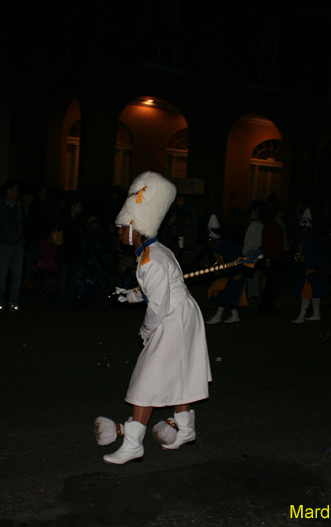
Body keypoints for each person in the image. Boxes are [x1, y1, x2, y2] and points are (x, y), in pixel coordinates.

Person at [97, 171, 211, 465]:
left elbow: (158, 306)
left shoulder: (150, 260)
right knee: (181, 374)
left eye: (122, 227)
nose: (119, 231)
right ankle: (185, 429)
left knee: (144, 382)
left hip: (172, 319)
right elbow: (155, 291)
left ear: (135, 227)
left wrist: (146, 331)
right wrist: (130, 295)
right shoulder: (154, 251)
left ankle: (134, 444)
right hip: (182, 314)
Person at [204, 215, 249, 324]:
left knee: (223, 294)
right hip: (230, 273)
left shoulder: (226, 248)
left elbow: (233, 264)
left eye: (211, 240)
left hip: (235, 273)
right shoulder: (218, 246)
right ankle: (234, 316)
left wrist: (221, 272)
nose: (208, 242)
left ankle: (218, 317)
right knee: (228, 295)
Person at [0, 181, 25, 311]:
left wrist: (23, 237)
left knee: (17, 276)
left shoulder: (19, 205)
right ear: (8, 191)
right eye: (15, 190)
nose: (17, 193)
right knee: (1, 276)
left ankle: (13, 302)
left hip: (17, 244)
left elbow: (24, 221)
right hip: (4, 244)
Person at [292, 209, 328, 323]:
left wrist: (311, 270)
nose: (303, 231)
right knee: (313, 293)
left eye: (305, 229)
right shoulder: (302, 241)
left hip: (312, 269)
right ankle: (316, 314)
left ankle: (302, 316)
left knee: (307, 293)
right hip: (309, 269)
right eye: (302, 229)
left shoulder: (311, 242)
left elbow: (314, 258)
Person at [55, 196, 85, 310]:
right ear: (73, 207)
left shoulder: (79, 218)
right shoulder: (65, 216)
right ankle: (61, 302)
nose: (80, 208)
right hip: (65, 251)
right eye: (79, 206)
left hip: (75, 252)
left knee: (72, 279)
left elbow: (81, 233)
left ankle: (70, 301)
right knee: (63, 278)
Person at [258, 203, 286, 314]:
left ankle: (268, 305)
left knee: (275, 283)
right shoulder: (272, 224)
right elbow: (267, 242)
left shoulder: (279, 223)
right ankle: (265, 306)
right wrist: (268, 259)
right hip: (274, 257)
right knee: (271, 283)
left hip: (279, 256)